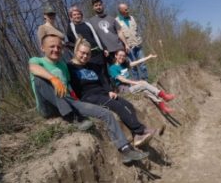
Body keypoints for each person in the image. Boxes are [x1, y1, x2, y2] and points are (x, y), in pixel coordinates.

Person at [29, 34, 148, 164]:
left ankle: (125, 150)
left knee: (106, 113)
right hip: (49, 106)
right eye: (52, 46)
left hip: (68, 101)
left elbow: (70, 86)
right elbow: (33, 68)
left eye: (59, 46)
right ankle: (72, 117)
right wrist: (53, 79)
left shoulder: (63, 65)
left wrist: (79, 103)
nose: (56, 49)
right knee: (40, 80)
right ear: (42, 47)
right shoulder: (37, 61)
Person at [69, 40, 160, 150]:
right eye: (82, 53)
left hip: (102, 93)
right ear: (76, 51)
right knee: (117, 106)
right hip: (89, 97)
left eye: (88, 54)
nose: (85, 56)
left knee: (128, 105)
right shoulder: (70, 67)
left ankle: (137, 136)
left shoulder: (92, 66)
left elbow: (103, 81)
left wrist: (109, 91)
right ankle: (141, 130)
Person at [108, 49, 175, 114]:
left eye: (123, 56)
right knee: (144, 84)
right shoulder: (112, 68)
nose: (122, 57)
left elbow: (138, 61)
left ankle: (162, 106)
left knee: (147, 90)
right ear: (115, 56)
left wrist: (149, 57)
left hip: (130, 87)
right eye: (120, 55)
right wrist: (136, 83)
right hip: (123, 89)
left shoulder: (124, 65)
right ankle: (163, 95)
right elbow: (122, 79)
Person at [117, 3, 149, 81]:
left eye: (127, 8)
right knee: (133, 66)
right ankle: (137, 83)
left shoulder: (132, 18)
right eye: (126, 9)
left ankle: (146, 80)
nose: (128, 10)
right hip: (128, 47)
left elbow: (136, 30)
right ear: (121, 11)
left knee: (143, 64)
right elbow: (119, 34)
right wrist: (125, 45)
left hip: (138, 44)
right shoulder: (117, 21)